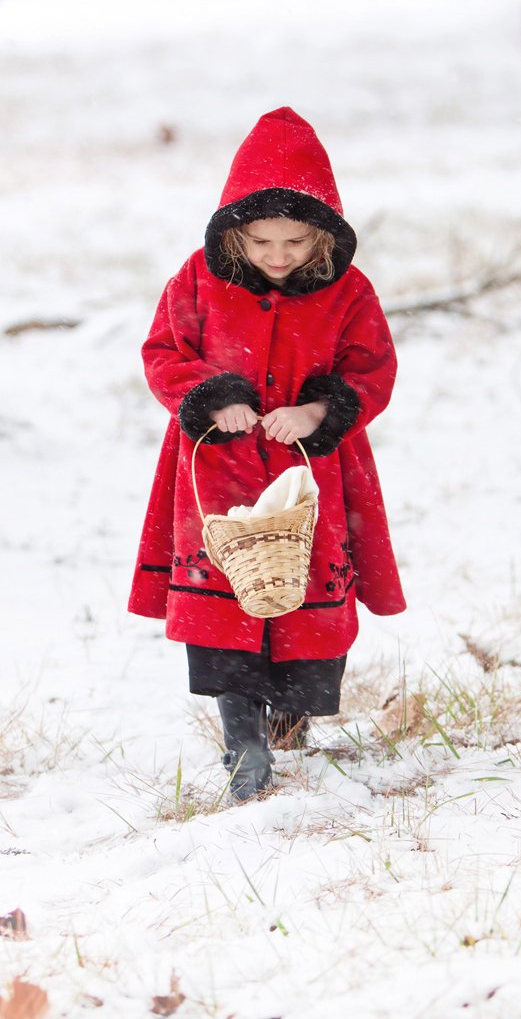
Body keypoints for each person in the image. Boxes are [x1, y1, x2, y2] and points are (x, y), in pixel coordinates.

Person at [128, 107, 406, 802]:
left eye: (293, 242)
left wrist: (319, 410)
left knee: (303, 587)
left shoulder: (349, 292)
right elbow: (164, 352)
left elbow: (372, 367)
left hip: (311, 474)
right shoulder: (197, 279)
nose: (277, 257)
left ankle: (290, 715)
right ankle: (242, 733)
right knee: (227, 594)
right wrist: (208, 397)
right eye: (260, 242)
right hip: (219, 473)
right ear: (234, 233)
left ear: (321, 235)